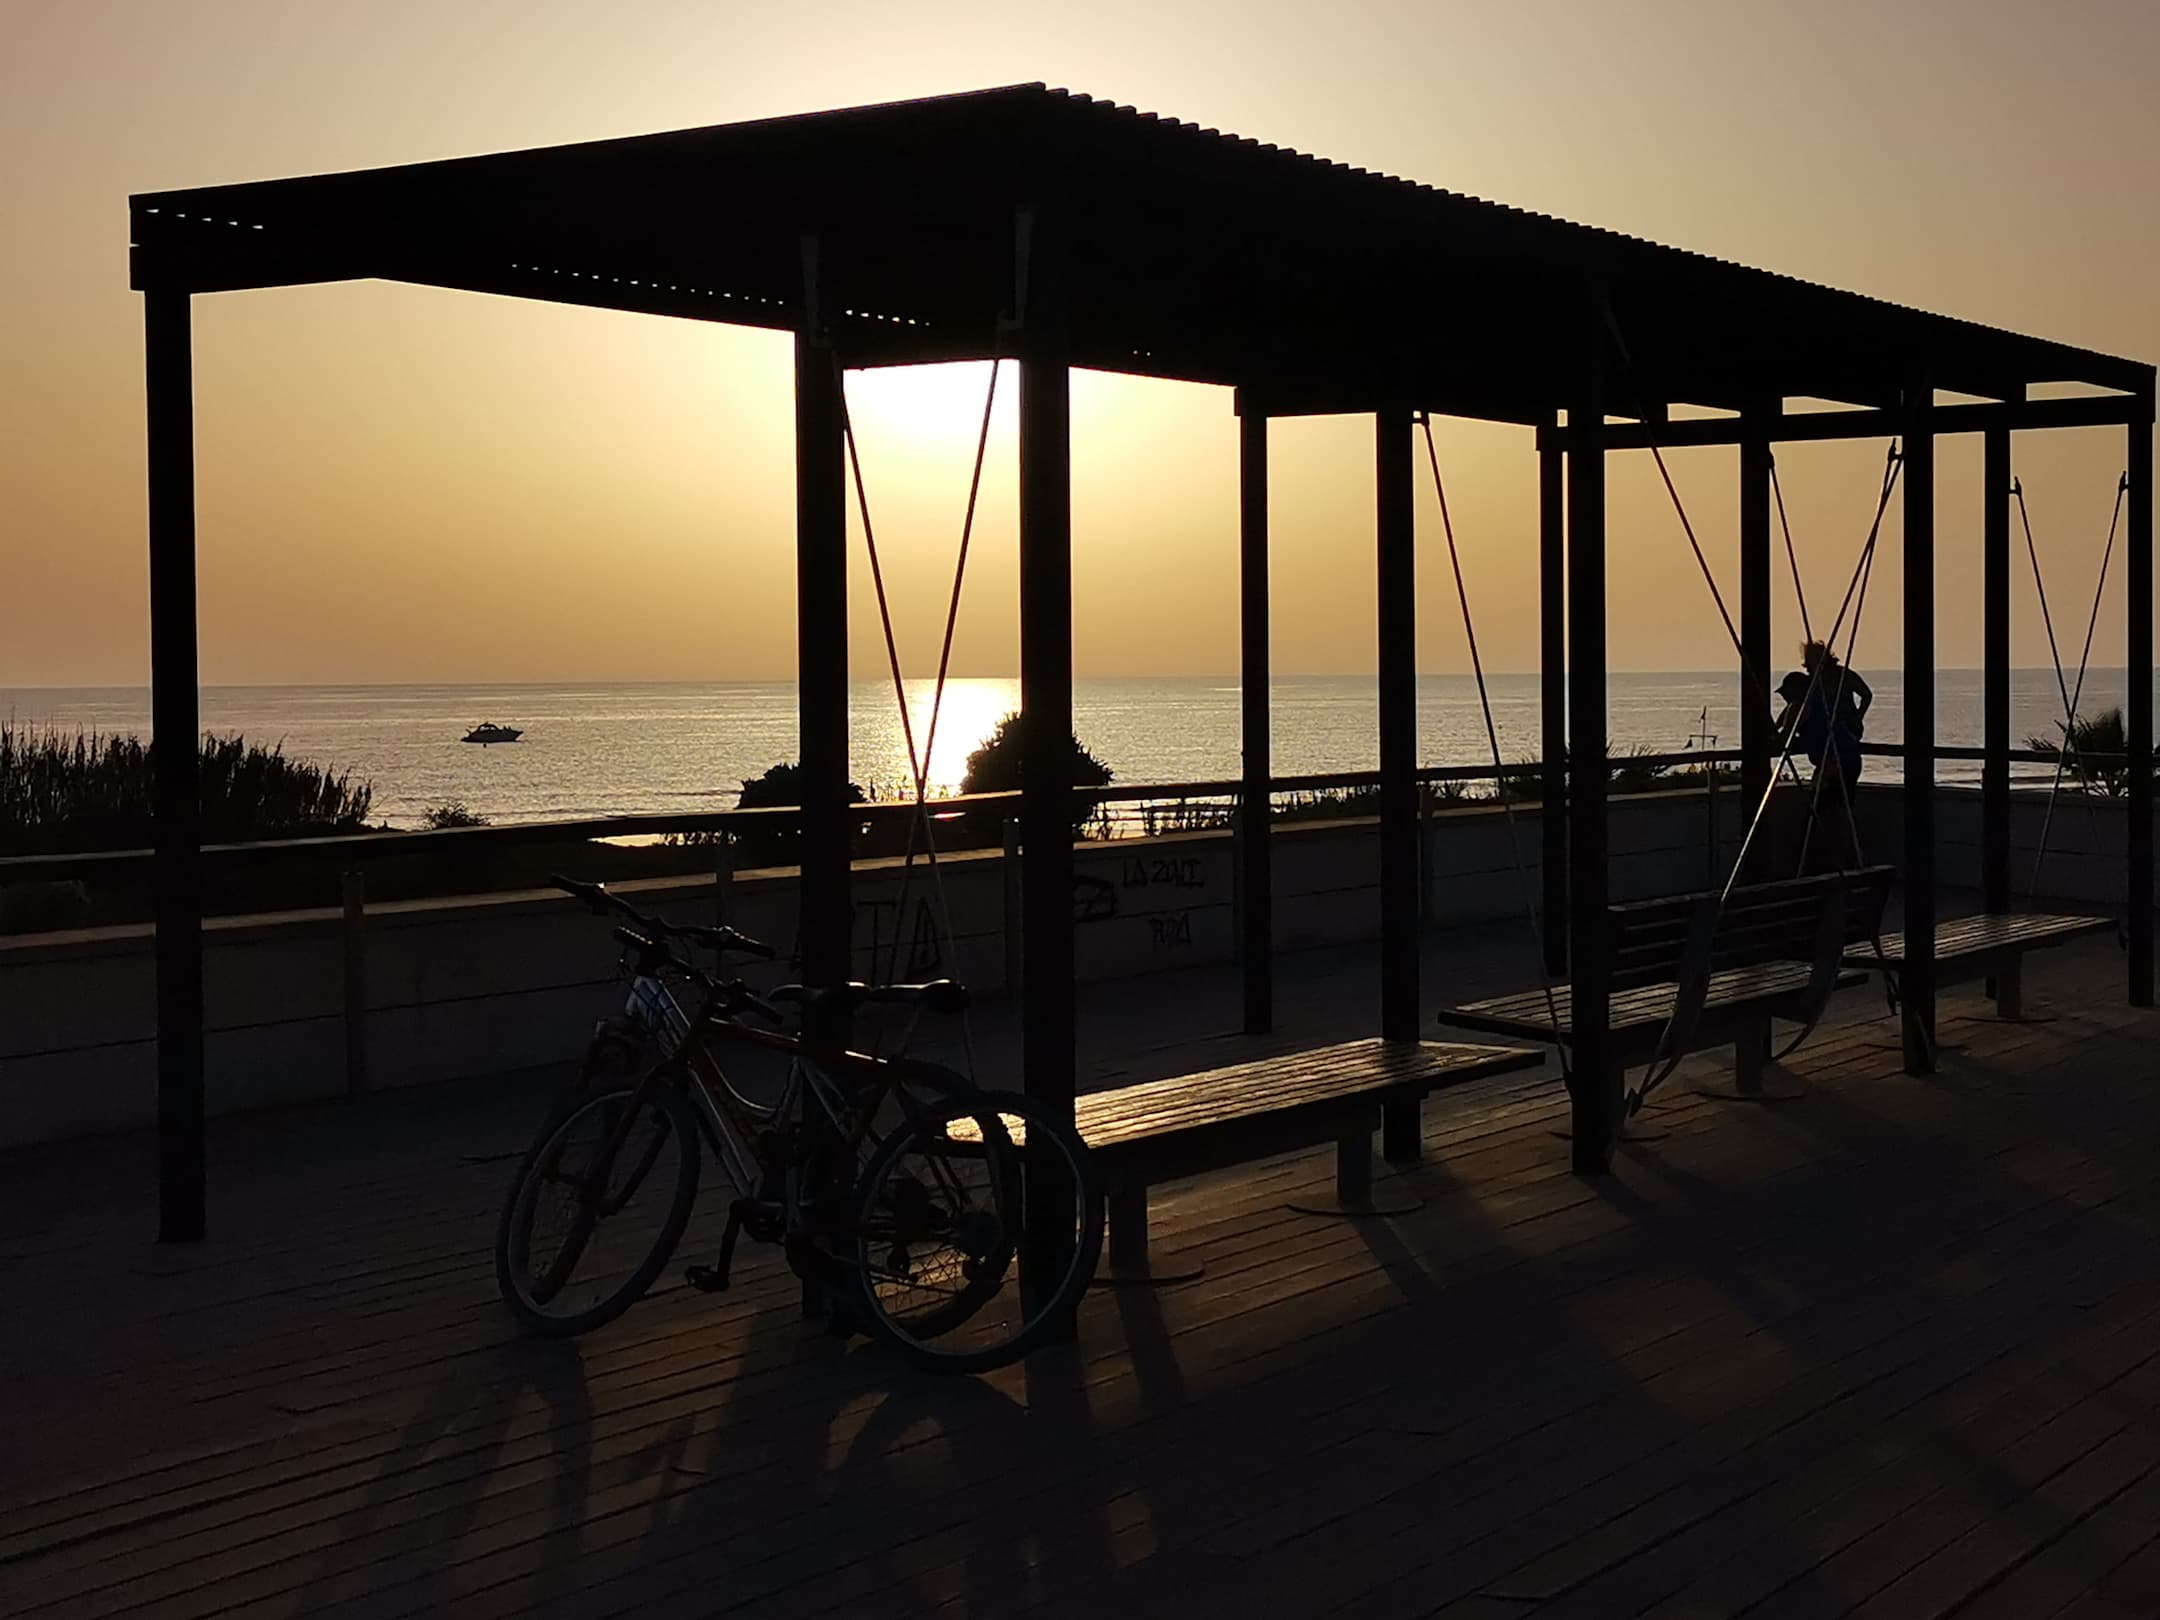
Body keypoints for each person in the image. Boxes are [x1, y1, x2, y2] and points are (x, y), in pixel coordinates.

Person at [1775, 640, 1871, 868]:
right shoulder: (1816, 691)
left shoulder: (1812, 695)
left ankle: (1831, 862)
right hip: (1846, 750)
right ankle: (1847, 860)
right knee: (1839, 809)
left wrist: (1858, 718)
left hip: (1834, 757)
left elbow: (1787, 727)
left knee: (1823, 811)